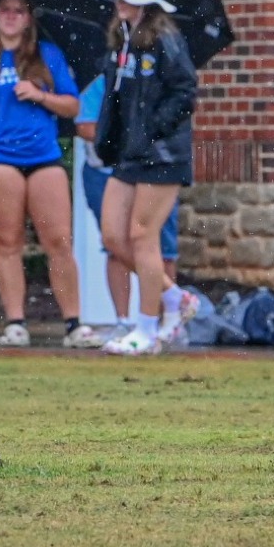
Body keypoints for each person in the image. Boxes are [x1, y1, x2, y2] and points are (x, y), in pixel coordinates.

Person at [0, 0, 95, 349]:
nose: (10, 16)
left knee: (59, 241)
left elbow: (71, 106)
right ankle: (16, 322)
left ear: (28, 18)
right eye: (4, 10)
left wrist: (40, 95)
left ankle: (74, 323)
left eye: (18, 11)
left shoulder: (47, 56)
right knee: (8, 242)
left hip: (43, 154)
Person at [92, 0, 198, 356]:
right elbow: (115, 98)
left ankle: (147, 328)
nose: (119, 2)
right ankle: (175, 299)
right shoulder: (120, 39)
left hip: (162, 155)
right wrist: (111, 139)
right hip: (130, 154)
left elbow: (184, 91)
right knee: (113, 237)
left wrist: (152, 129)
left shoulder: (166, 39)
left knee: (142, 236)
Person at [75, 73, 187, 344]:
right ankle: (127, 320)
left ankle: (165, 322)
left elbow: (176, 112)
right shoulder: (104, 80)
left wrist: (145, 135)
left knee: (158, 245)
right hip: (110, 170)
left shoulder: (165, 75)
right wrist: (119, 136)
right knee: (115, 243)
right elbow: (85, 125)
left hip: (154, 167)